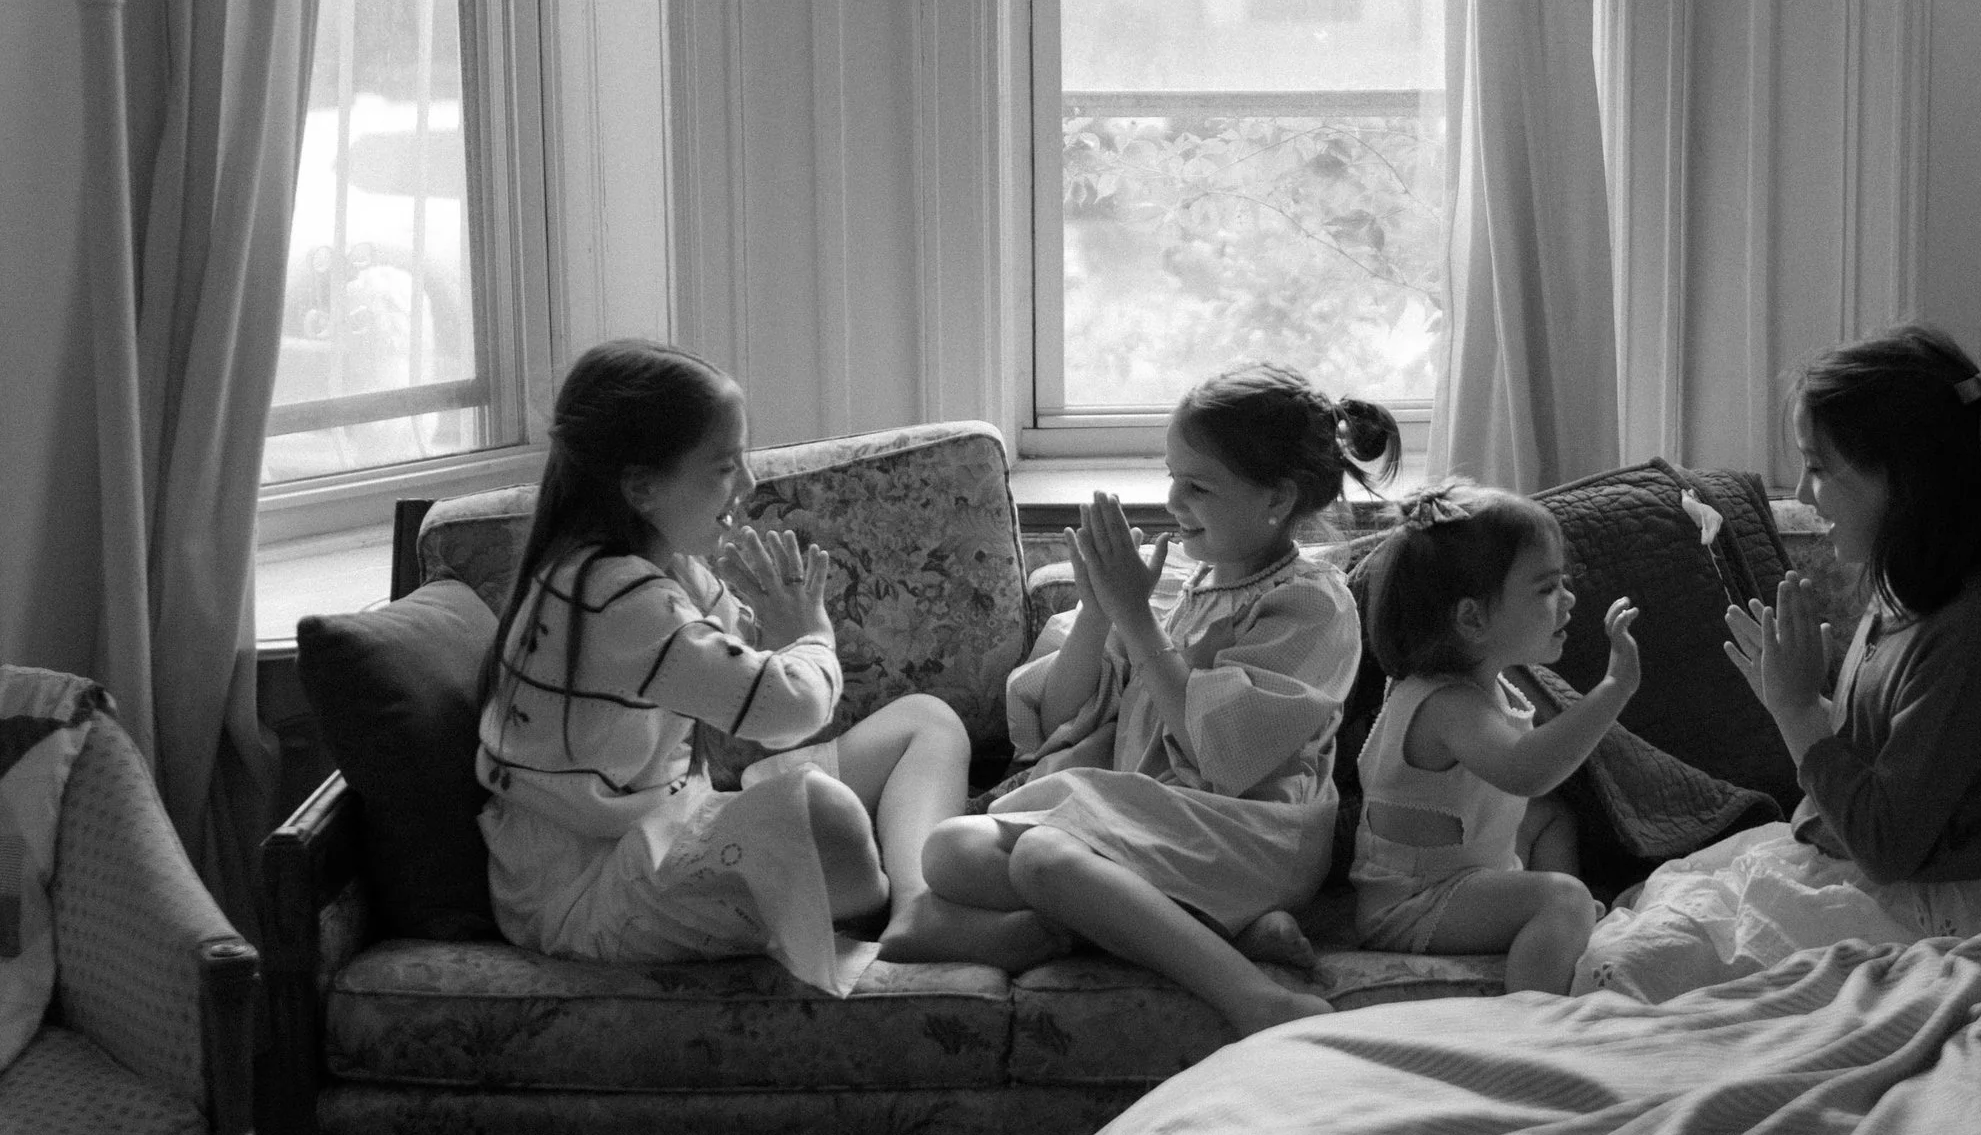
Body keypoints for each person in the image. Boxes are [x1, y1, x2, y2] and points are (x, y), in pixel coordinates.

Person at [1575, 324, 1981, 1000]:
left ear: (1908, 480)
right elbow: (1881, 762)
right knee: (1642, 934)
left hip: (1931, 912)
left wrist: (1800, 714)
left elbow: (1889, 841)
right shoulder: (1900, 597)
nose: (1800, 492)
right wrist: (1788, 697)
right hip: (1851, 873)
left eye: (1821, 468)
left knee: (1660, 973)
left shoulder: (1976, 631)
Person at [892, 365, 1401, 1035]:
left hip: (1253, 834)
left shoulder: (1312, 603)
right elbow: (1054, 717)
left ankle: (1250, 992)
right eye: (1171, 474)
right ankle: (1186, 927)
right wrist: (1102, 615)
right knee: (948, 851)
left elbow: (1224, 755)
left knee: (1042, 857)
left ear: (1277, 498)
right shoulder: (1186, 587)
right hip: (1160, 823)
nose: (1172, 498)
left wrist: (1136, 619)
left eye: (1197, 485)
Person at [475, 342, 970, 994]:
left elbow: (738, 662)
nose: (748, 484)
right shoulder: (616, 596)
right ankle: (905, 903)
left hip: (663, 821)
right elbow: (782, 712)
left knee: (925, 720)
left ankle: (917, 904)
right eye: (724, 466)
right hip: (589, 891)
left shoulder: (658, 568)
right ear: (642, 486)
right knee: (830, 815)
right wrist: (809, 632)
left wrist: (773, 619)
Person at [1351, 489, 1642, 993]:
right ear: (1472, 618)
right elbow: (1526, 768)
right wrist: (1614, 689)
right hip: (1414, 902)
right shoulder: (1445, 703)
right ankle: (1532, 1015)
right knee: (1564, 896)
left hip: (1464, 871)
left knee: (1551, 818)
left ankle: (1560, 927)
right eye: (1547, 588)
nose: (1569, 600)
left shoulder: (1485, 687)